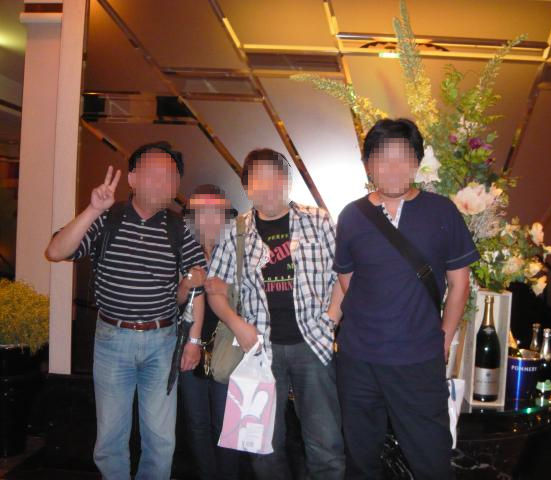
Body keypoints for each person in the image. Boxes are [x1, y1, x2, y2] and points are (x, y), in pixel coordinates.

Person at [45, 142, 206, 480]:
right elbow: (56, 251)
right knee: (111, 437)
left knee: (161, 439)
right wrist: (92, 210)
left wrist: (193, 341)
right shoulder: (108, 219)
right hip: (112, 339)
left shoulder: (180, 229)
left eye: (171, 176)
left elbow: (195, 289)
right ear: (132, 178)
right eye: (155, 173)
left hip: (162, 340)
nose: (164, 182)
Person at [333, 119, 479, 480]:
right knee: (360, 460)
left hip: (418, 360)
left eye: (403, 157)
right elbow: (348, 280)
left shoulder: (442, 211)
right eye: (382, 158)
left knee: (431, 460)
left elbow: (459, 283)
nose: (393, 167)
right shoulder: (352, 216)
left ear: (416, 163)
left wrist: (444, 337)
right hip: (358, 360)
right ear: (368, 165)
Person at [204, 148, 345, 480]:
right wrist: (237, 325)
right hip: (259, 351)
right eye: (258, 179)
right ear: (247, 187)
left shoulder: (318, 220)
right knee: (262, 447)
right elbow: (215, 289)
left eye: (275, 176)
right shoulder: (236, 231)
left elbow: (344, 275)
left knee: (326, 445)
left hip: (313, 345)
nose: (267, 186)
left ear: (286, 181)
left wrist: (331, 319)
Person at [176, 184, 242, 479]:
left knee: (226, 425)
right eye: (201, 213)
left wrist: (228, 289)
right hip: (189, 347)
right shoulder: (180, 248)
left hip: (228, 349)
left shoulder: (240, 250)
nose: (210, 220)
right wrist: (186, 284)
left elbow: (257, 295)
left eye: (217, 212)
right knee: (196, 423)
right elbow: (172, 302)